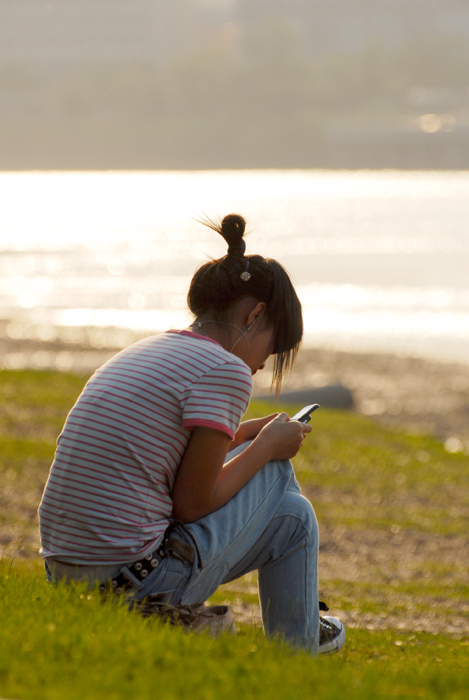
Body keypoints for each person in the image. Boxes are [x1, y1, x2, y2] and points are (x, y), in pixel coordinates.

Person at [38, 213, 345, 655]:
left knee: (293, 518)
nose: (262, 364)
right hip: (134, 582)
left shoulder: (152, 349)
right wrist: (265, 448)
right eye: (271, 347)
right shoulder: (227, 370)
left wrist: (238, 437)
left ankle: (299, 644)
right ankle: (299, 649)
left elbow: (161, 456)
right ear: (254, 314)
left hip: (69, 576)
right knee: (285, 491)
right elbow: (192, 502)